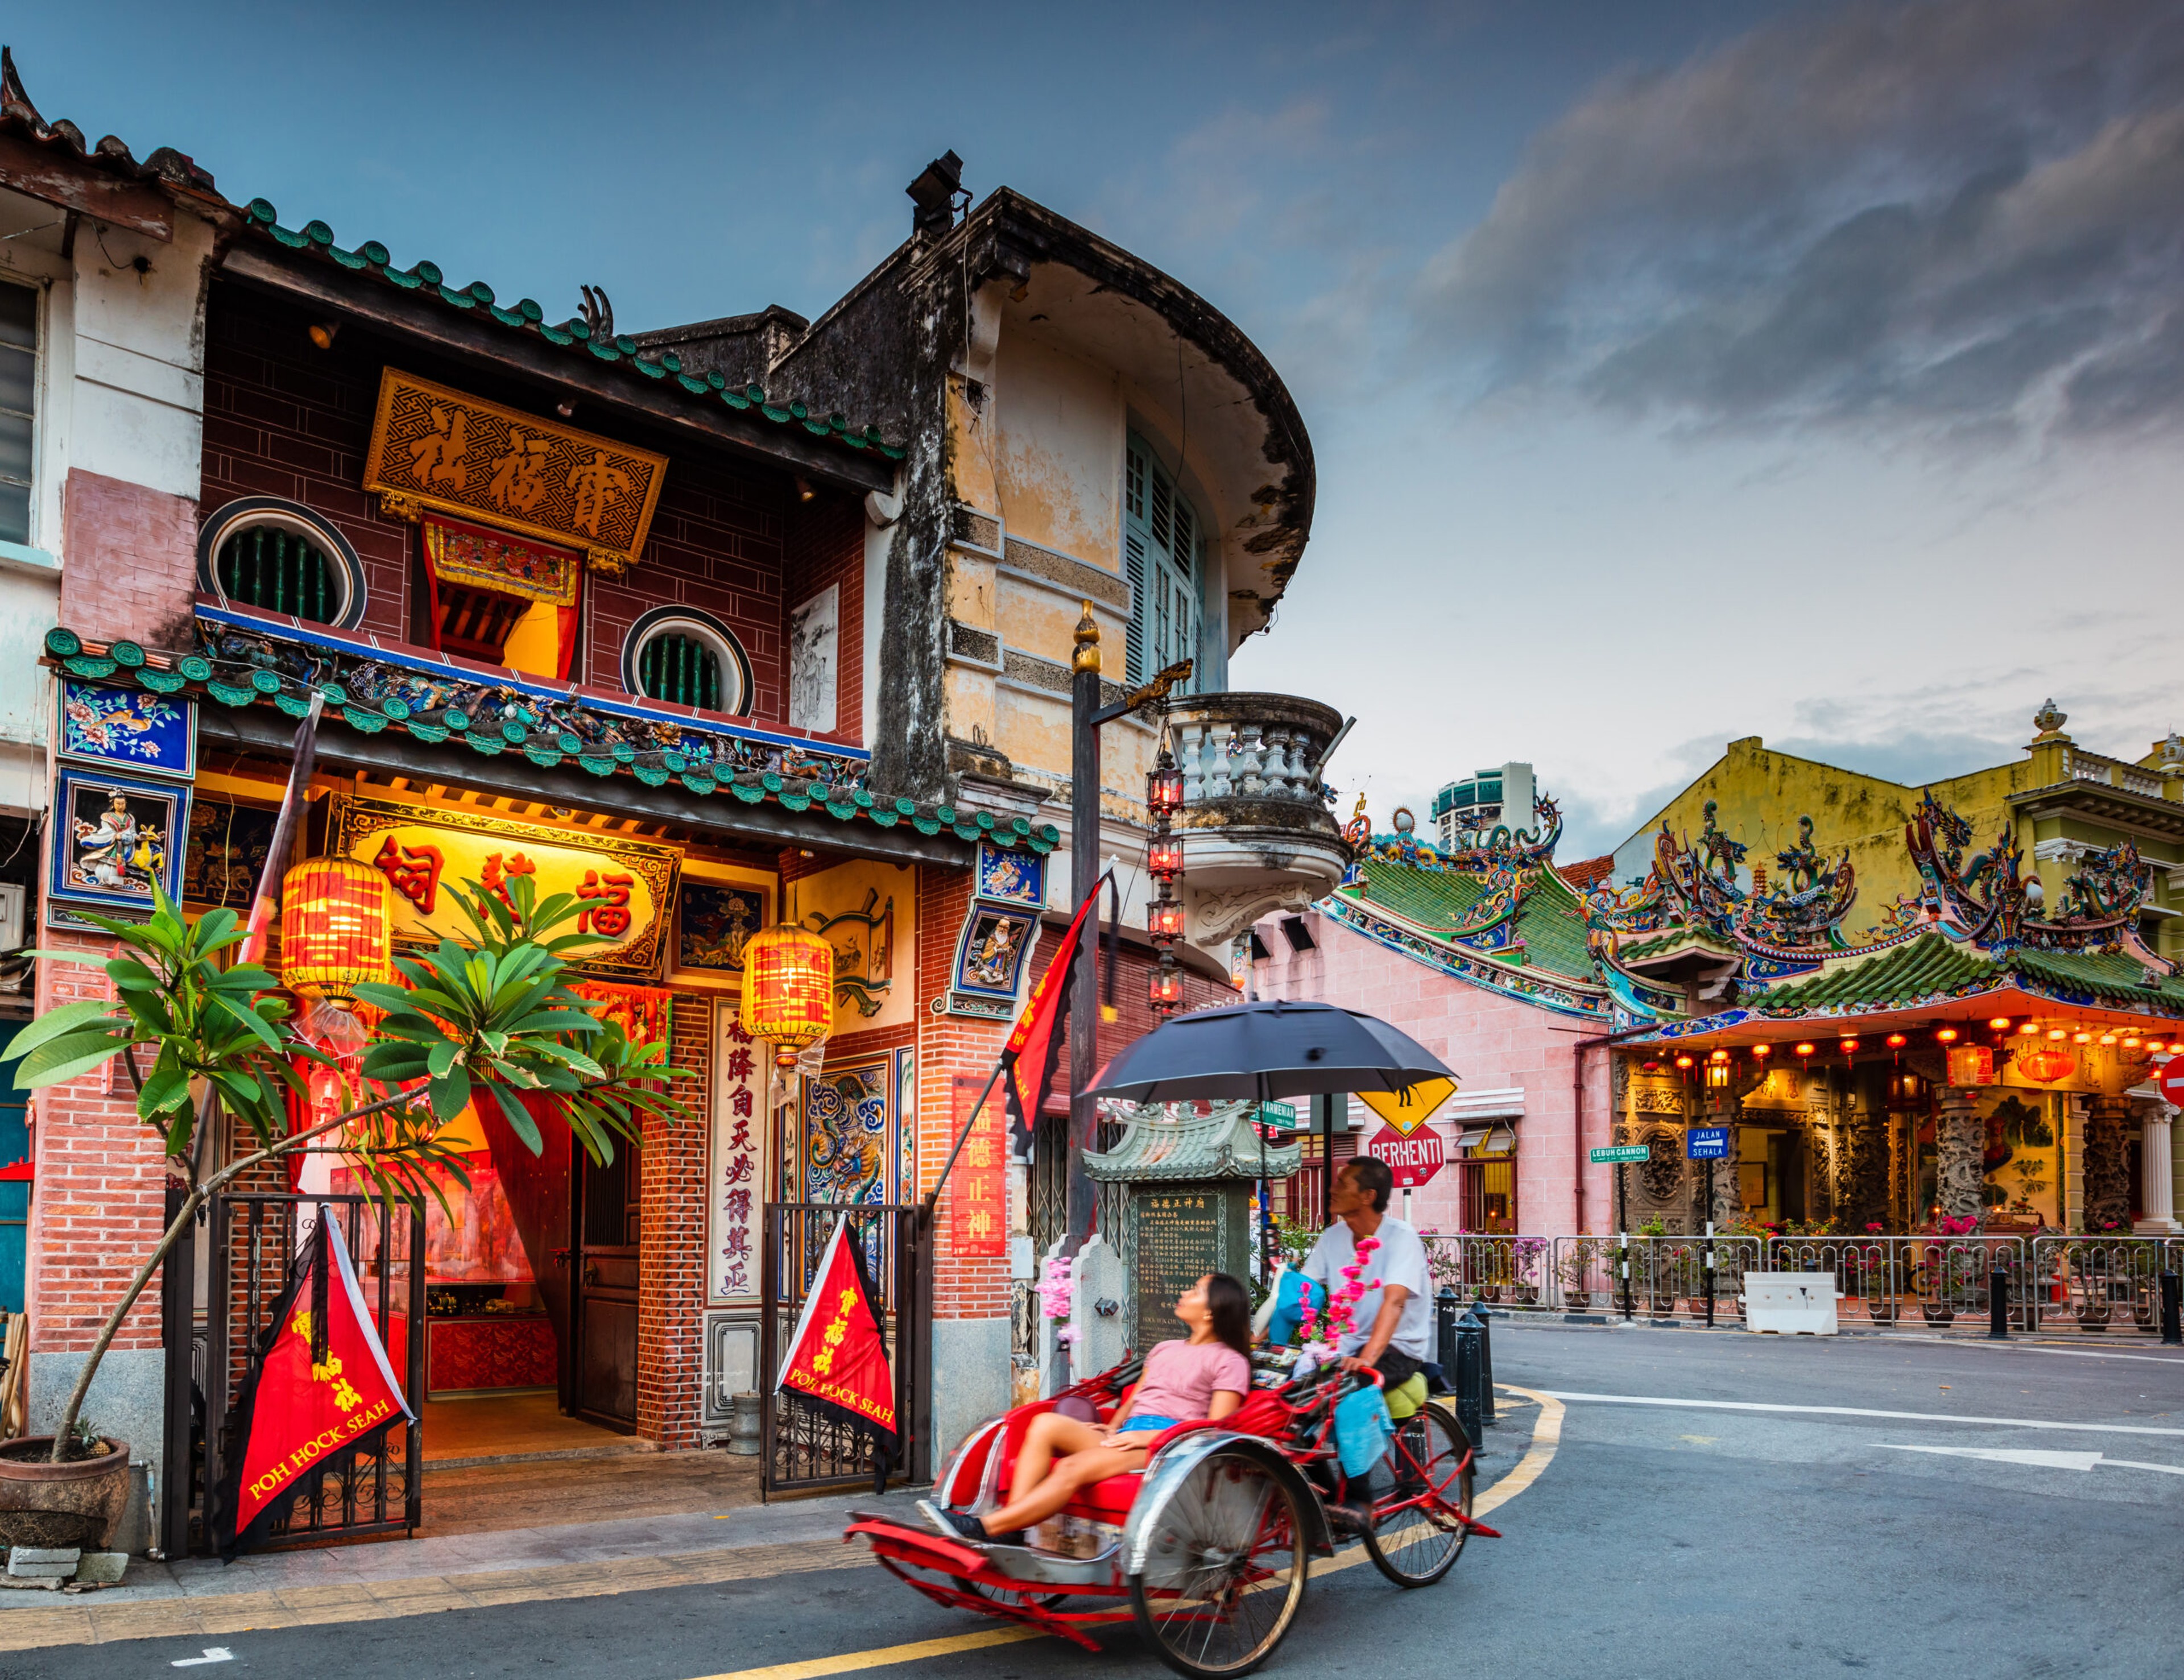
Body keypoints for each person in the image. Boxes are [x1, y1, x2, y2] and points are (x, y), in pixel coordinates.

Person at [923, 1272, 1253, 1545]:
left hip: (1168, 1448)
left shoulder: (1230, 1361)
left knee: (1070, 1469)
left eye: (1195, 1291)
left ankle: (990, 1527)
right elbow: (1137, 1395)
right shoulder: (1165, 1348)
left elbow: (1215, 1429)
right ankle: (1014, 1525)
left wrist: (1150, 1438)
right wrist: (1113, 1427)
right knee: (1043, 1425)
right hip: (1129, 1434)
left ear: (1211, 1311)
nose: (1184, 1292)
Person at [1302, 1156, 1434, 1400]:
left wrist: (1367, 1359)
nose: (1332, 1190)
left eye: (1343, 1184)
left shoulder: (1401, 1238)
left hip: (1398, 1349)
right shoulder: (1332, 1237)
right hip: (1346, 1345)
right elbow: (1302, 1291)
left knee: (1343, 1395)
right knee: (1293, 1389)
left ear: (1367, 1196)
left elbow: (1394, 1302)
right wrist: (1264, 1335)